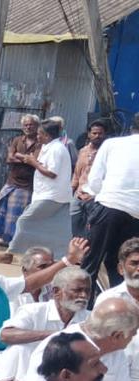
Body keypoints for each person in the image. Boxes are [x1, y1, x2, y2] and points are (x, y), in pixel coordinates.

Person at [0, 266, 91, 381]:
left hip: (67, 376)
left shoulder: (90, 319)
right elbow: (5, 335)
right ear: (56, 292)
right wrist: (53, 335)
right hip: (26, 373)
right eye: (77, 290)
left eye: (87, 291)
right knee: (18, 350)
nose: (83, 295)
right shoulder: (34, 311)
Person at [81, 112, 139, 293]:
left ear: (131, 127)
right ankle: (122, 306)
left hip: (108, 207)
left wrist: (99, 194)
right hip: (135, 214)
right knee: (123, 263)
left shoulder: (112, 144)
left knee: (91, 261)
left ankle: (84, 309)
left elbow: (95, 180)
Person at [6, 118, 73, 255]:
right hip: (47, 193)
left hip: (52, 195)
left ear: (47, 135)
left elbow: (51, 173)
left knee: (24, 221)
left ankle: (11, 252)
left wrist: (32, 162)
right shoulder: (48, 147)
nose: (37, 137)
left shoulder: (56, 149)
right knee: (54, 227)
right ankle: (58, 254)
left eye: (39, 134)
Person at [0, 114, 42, 245]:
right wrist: (26, 159)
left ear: (37, 126)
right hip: (12, 181)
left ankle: (13, 240)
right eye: (26, 125)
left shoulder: (40, 143)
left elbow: (36, 161)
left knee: (17, 213)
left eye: (31, 125)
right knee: (0, 207)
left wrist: (19, 156)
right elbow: (9, 158)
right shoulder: (17, 140)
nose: (28, 127)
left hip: (27, 184)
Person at [70, 118, 108, 238]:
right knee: (75, 229)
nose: (97, 136)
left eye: (100, 133)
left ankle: (87, 254)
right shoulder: (83, 151)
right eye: (94, 133)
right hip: (78, 196)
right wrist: (72, 190)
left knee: (91, 232)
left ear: (105, 134)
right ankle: (76, 253)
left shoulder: (107, 153)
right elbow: (77, 173)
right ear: (89, 134)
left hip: (95, 198)